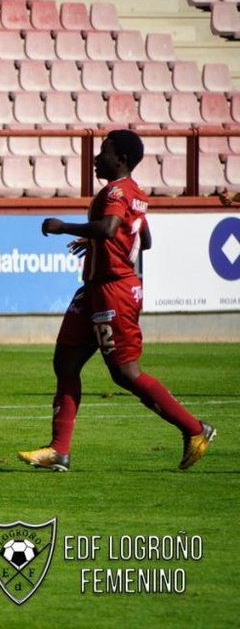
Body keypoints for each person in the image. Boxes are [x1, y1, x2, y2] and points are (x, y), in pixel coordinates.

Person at [18, 130, 216, 472]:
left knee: (125, 373)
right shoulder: (135, 194)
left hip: (113, 291)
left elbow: (110, 228)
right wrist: (98, 244)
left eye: (104, 152)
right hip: (95, 289)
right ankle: (58, 451)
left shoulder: (114, 191)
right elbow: (143, 238)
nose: (97, 158)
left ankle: (195, 429)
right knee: (65, 364)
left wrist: (64, 227)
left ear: (121, 159)